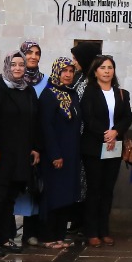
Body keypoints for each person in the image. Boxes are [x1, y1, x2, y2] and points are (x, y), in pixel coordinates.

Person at [0, 50, 40, 257]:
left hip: (19, 154)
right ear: (7, 65)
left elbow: (33, 121)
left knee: (10, 198)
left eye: (21, 65)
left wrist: (34, 147)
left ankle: (5, 237)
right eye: (13, 64)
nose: (17, 68)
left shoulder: (27, 91)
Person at [77, 55, 132, 247]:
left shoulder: (121, 93)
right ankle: (91, 231)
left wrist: (116, 131)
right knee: (94, 189)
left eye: (110, 67)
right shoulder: (90, 91)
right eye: (103, 68)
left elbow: (127, 116)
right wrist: (104, 134)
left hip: (114, 147)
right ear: (95, 71)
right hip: (93, 147)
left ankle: (104, 229)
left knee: (108, 190)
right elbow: (87, 117)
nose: (107, 71)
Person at [39, 57, 84, 250]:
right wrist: (55, 154)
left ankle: (59, 235)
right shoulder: (49, 95)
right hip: (55, 156)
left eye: (70, 71)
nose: (67, 74)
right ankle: (48, 236)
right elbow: (46, 127)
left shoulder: (72, 94)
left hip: (72, 155)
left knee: (66, 197)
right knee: (53, 197)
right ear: (56, 72)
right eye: (63, 71)